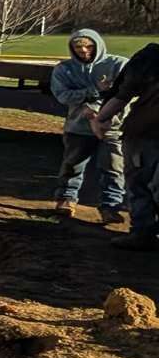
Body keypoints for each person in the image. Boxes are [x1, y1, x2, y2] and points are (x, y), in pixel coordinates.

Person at [50, 28, 126, 223]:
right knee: (72, 164)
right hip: (79, 126)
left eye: (88, 46)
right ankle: (66, 199)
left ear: (97, 45)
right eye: (78, 47)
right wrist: (92, 92)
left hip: (112, 126)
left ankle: (111, 206)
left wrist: (101, 113)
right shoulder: (64, 69)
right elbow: (62, 95)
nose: (83, 50)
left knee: (114, 168)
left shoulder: (118, 65)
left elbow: (127, 93)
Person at [91, 42, 159, 251]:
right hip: (144, 133)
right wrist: (101, 118)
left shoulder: (149, 57)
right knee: (140, 183)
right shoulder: (150, 58)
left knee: (142, 184)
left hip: (144, 132)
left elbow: (122, 94)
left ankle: (142, 232)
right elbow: (122, 93)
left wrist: (101, 118)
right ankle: (142, 233)